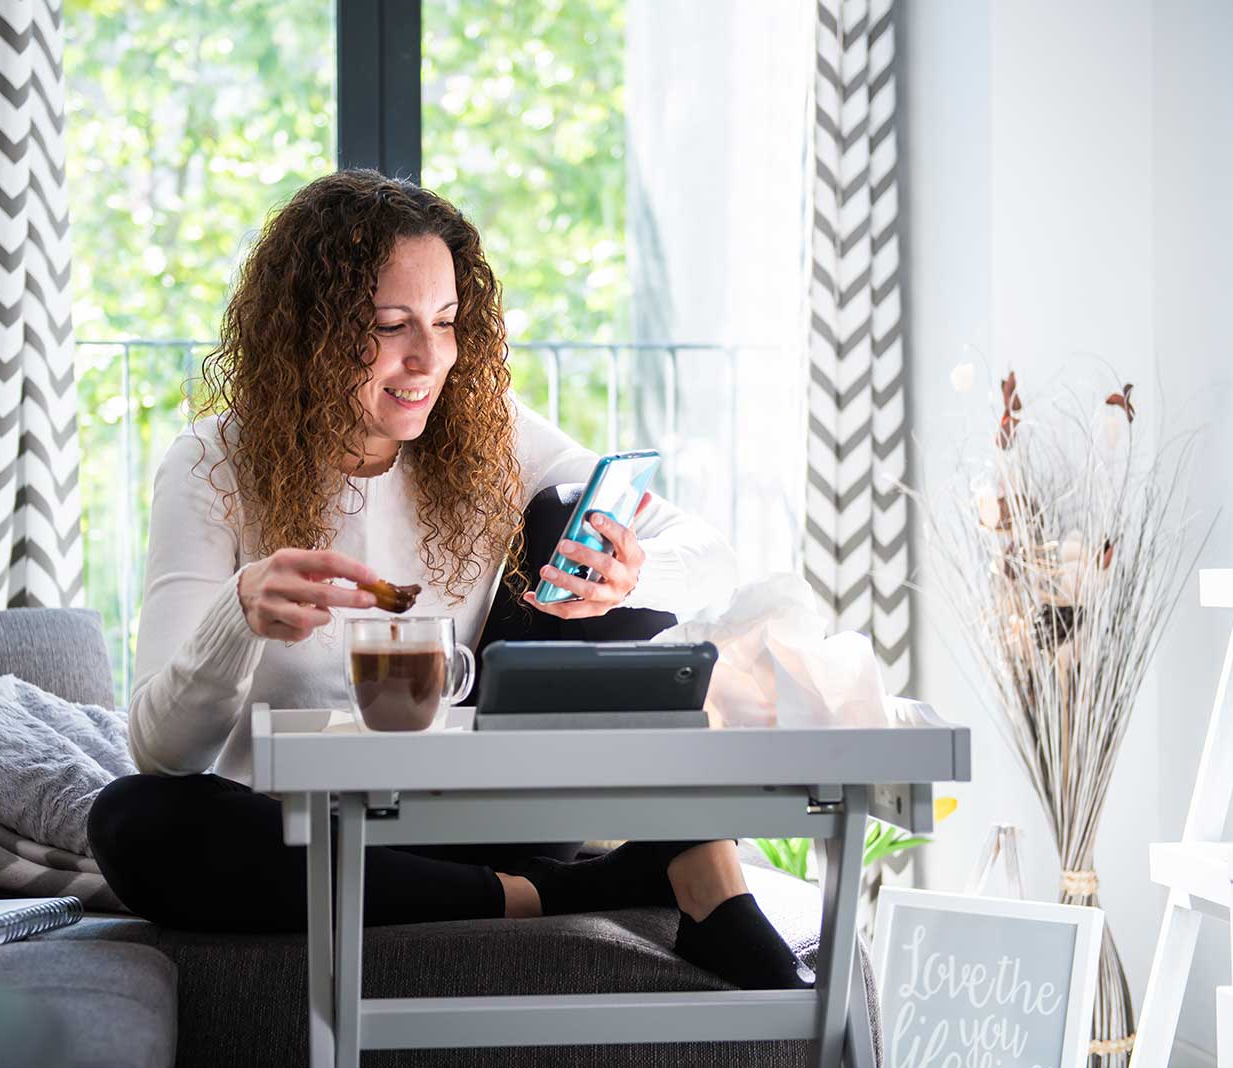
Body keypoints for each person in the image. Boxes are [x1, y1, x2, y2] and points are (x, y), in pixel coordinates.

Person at [87, 169, 808, 990]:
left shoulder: (485, 435)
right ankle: (577, 892)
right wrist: (237, 615)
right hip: (310, 835)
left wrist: (630, 573)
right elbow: (158, 748)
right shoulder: (212, 464)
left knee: (573, 525)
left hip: (478, 811)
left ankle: (705, 873)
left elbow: (711, 553)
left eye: (445, 322)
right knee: (134, 820)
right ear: (308, 333)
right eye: (391, 326)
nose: (428, 360)